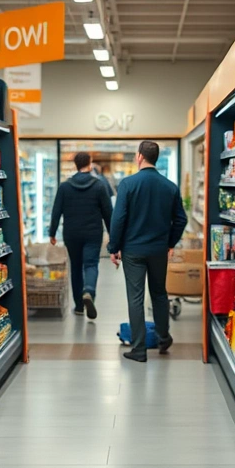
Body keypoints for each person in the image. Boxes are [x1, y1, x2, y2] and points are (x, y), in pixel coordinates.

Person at [108, 141, 187, 362]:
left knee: (135, 297)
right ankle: (163, 338)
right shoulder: (169, 186)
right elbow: (181, 219)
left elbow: (118, 219)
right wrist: (170, 242)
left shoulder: (128, 184)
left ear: (140, 157)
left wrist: (114, 248)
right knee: (159, 293)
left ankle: (139, 349)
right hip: (158, 249)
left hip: (133, 250)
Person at [50, 152, 113, 319]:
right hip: (93, 233)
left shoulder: (65, 186)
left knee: (76, 268)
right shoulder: (99, 186)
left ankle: (79, 306)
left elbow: (56, 211)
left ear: (75, 165)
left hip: (71, 233)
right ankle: (89, 291)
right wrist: (114, 235)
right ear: (90, 164)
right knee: (91, 264)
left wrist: (52, 232)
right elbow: (108, 213)